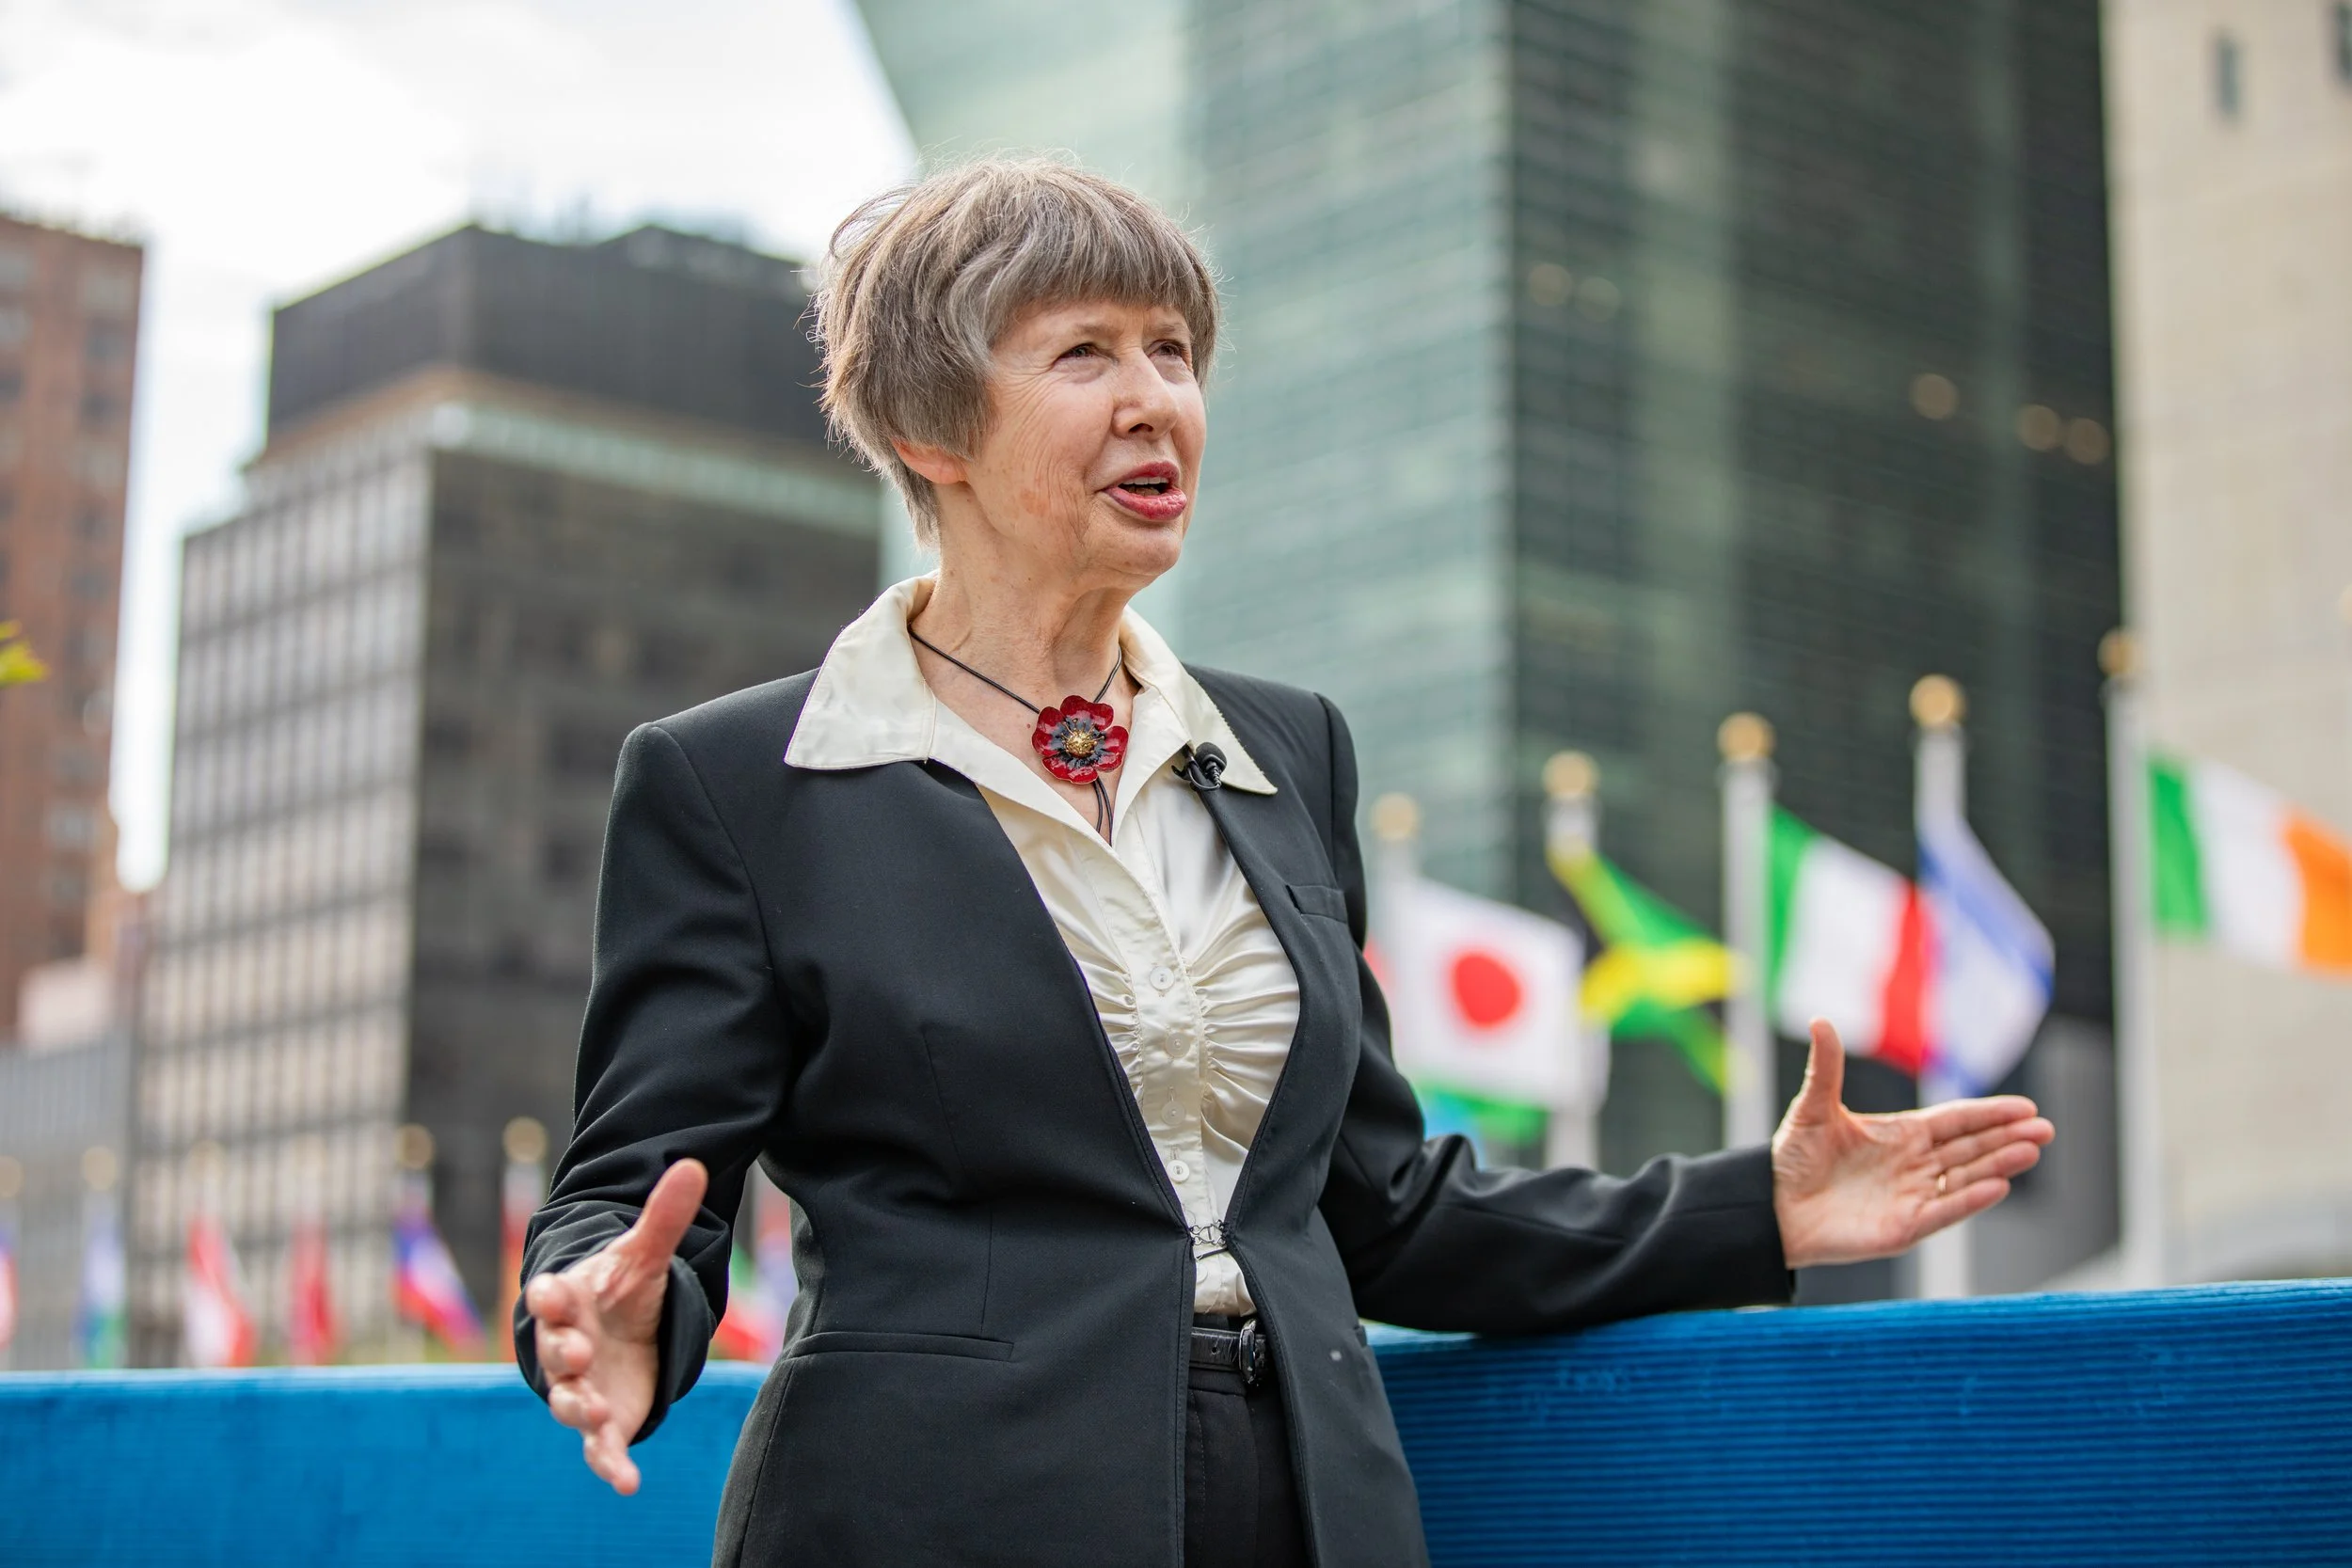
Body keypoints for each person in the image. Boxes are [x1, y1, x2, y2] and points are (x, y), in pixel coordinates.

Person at [516, 160, 2054, 1568]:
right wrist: (612, 1316)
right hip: (935, 1513)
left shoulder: (1285, 747)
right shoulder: (740, 782)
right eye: (1084, 353)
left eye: (1174, 350)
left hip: (1310, 1508)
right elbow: (635, 1195)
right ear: (931, 431)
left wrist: (1756, 1206)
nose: (1156, 401)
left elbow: (1380, 1206)